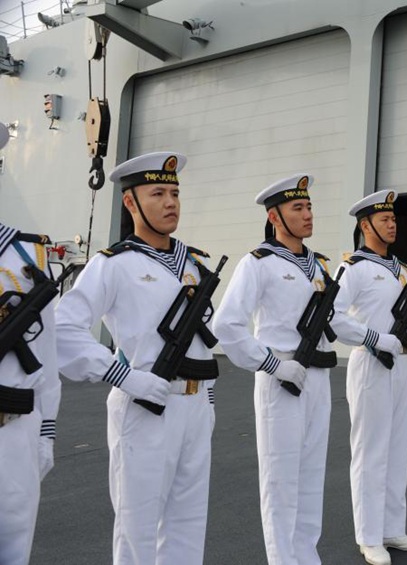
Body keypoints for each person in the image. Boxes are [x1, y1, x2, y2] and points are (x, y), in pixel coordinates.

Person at [56, 152, 218, 564]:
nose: (171, 202)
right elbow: (64, 330)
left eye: (176, 193)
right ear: (131, 203)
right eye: (158, 192)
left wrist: (209, 402)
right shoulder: (114, 264)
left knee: (188, 521)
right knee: (138, 528)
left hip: (195, 405)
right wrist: (123, 376)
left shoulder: (195, 266)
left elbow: (203, 342)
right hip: (146, 406)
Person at [212, 174, 333, 564]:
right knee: (281, 480)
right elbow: (227, 324)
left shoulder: (319, 264)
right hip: (281, 381)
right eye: (297, 207)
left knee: (312, 476)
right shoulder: (258, 263)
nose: (308, 214)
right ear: (275, 216)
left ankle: (306, 556)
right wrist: (271, 364)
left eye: (309, 206)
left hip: (318, 377)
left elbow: (338, 318)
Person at [329, 190, 407, 565]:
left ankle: (392, 528)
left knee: (398, 447)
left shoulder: (402, 269)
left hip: (403, 363)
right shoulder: (353, 267)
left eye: (393, 219)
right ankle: (369, 536)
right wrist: (374, 338)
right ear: (364, 224)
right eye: (384, 219)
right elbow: (333, 316)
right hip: (371, 364)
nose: (392, 224)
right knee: (370, 451)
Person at [0, 219, 60, 565]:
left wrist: (46, 431)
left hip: (16, 432)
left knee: (13, 551)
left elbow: (47, 355)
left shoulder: (29, 253)